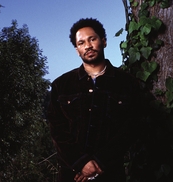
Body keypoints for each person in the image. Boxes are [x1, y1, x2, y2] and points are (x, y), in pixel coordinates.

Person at [47, 18, 142, 182]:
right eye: (81, 42)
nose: (88, 46)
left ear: (103, 41)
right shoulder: (61, 85)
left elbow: (132, 127)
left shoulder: (127, 83)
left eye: (92, 39)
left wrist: (99, 163)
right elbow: (57, 130)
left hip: (111, 174)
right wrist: (81, 163)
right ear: (77, 50)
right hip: (72, 175)